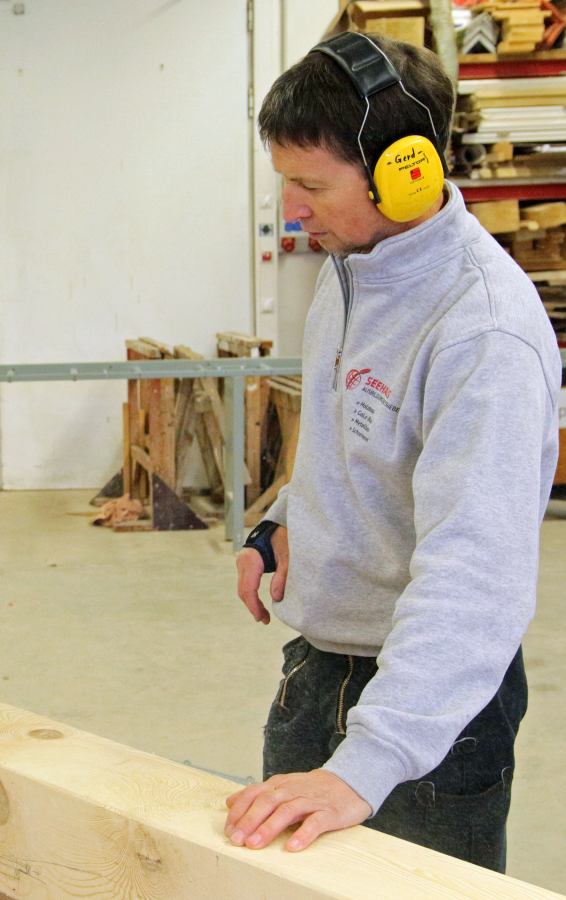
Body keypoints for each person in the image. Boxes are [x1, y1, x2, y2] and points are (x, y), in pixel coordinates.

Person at [226, 33, 560, 871]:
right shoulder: (353, 268)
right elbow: (345, 436)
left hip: (432, 711)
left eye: (310, 185)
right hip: (323, 665)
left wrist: (369, 764)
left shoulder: (481, 330)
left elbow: (476, 574)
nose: (292, 209)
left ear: (402, 172)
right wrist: (283, 521)